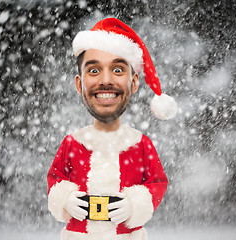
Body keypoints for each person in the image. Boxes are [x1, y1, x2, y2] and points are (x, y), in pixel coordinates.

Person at [47, 18, 177, 240]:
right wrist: (66, 199)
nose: (106, 80)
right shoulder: (72, 143)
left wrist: (135, 205)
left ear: (134, 83)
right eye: (94, 70)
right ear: (79, 84)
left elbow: (157, 183)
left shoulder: (140, 144)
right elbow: (55, 179)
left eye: (117, 69)